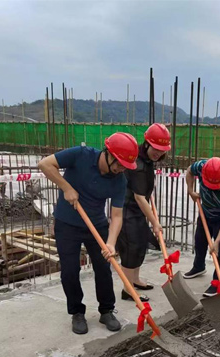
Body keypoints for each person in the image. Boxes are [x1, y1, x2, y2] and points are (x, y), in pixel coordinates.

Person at [38, 133, 139, 335]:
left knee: (103, 268)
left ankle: (107, 310)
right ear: (108, 154)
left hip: (97, 225)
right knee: (70, 270)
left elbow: (117, 216)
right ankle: (77, 312)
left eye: (125, 166)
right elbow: (45, 164)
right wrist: (66, 187)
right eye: (119, 163)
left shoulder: (119, 181)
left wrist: (110, 243)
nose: (121, 169)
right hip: (67, 224)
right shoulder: (81, 155)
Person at [116, 123, 169, 302]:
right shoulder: (138, 164)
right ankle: (127, 289)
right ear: (147, 143)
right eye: (156, 148)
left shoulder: (146, 159)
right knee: (131, 249)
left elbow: (143, 192)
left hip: (137, 210)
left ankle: (135, 280)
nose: (158, 153)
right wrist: (155, 222)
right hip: (128, 210)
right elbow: (139, 197)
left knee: (139, 247)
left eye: (162, 150)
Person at [183, 157, 220, 297]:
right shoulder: (202, 166)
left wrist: (216, 242)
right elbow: (189, 171)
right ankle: (199, 267)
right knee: (200, 240)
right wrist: (190, 190)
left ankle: (217, 281)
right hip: (205, 211)